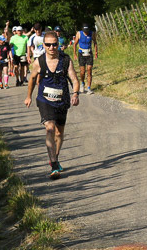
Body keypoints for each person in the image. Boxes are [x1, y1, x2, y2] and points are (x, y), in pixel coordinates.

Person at [24, 31, 80, 180]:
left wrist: (75, 94)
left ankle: (55, 157)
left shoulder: (66, 60)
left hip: (62, 101)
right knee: (49, 128)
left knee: (59, 133)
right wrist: (29, 96)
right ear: (43, 45)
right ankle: (54, 165)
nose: (51, 47)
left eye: (54, 44)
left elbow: (74, 79)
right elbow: (32, 79)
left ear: (58, 44)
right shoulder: (39, 62)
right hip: (45, 100)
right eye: (48, 45)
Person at [74, 24, 99, 93]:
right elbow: (75, 44)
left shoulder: (92, 33)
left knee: (89, 70)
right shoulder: (79, 33)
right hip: (81, 53)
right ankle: (82, 83)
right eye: (85, 31)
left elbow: (95, 42)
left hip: (89, 53)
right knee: (82, 71)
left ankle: (89, 88)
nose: (86, 32)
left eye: (87, 31)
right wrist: (75, 54)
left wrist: (96, 52)